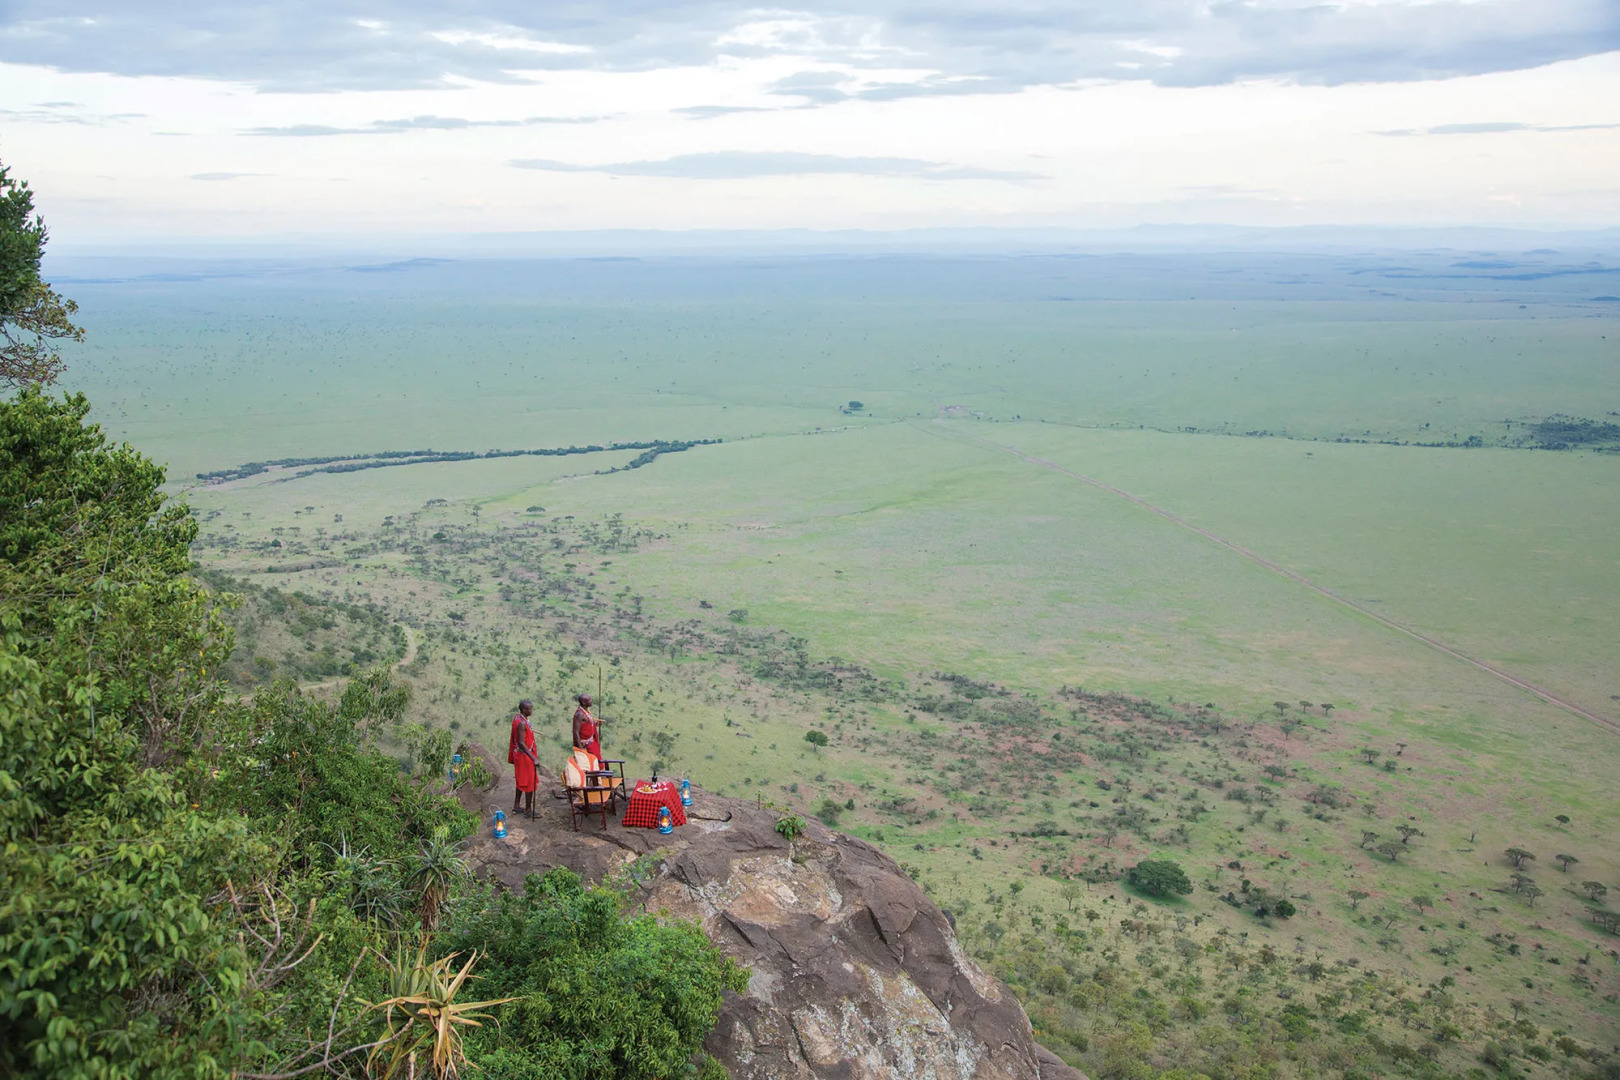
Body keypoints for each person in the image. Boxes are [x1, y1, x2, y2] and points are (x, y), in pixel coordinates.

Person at [507, 700, 539, 818]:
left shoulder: (518, 718)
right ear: (523, 710)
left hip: (521, 755)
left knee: (521, 780)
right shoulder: (521, 723)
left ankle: (516, 805)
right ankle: (528, 809)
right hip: (524, 756)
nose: (530, 711)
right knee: (529, 782)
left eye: (531, 708)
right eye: (528, 709)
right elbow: (521, 743)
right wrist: (533, 758)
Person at [572, 693, 601, 759]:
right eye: (589, 700)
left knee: (596, 760)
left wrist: (595, 724)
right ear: (584, 702)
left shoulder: (586, 711)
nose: (591, 701)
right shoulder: (579, 714)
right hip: (585, 745)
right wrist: (580, 749)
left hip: (591, 743)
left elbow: (586, 725)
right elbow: (575, 731)